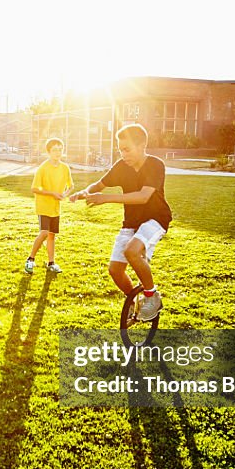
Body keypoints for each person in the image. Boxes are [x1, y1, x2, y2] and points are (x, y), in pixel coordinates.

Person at [69, 124, 172, 321]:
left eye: (127, 149)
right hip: (131, 222)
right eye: (120, 149)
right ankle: (134, 303)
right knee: (115, 270)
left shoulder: (155, 165)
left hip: (156, 218)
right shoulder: (121, 166)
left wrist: (105, 198)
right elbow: (99, 185)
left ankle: (152, 296)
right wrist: (85, 193)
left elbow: (143, 196)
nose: (123, 154)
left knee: (132, 251)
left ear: (142, 145)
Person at [24, 137, 74, 273]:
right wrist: (52, 193)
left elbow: (71, 185)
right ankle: (30, 259)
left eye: (60, 149)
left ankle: (51, 263)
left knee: (52, 235)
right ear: (48, 152)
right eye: (54, 150)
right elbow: (34, 189)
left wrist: (65, 193)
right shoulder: (43, 168)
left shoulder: (65, 168)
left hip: (55, 207)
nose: (58, 153)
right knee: (44, 232)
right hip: (43, 206)